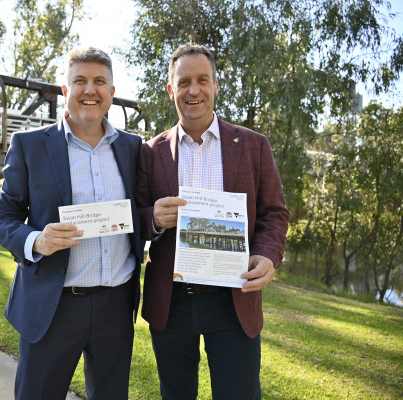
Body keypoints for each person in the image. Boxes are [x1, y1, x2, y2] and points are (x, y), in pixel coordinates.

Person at [136, 43, 290, 400]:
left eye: (202, 80)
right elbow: (136, 216)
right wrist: (153, 218)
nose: (194, 90)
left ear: (216, 86)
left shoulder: (254, 145)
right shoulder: (150, 152)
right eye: (184, 82)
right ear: (171, 89)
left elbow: (274, 213)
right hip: (171, 303)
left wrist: (267, 255)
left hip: (234, 300)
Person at [0, 47, 143, 400]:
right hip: (53, 305)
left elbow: (142, 213)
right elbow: (2, 218)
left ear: (111, 92)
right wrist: (36, 240)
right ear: (65, 89)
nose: (90, 90)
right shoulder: (29, 145)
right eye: (80, 81)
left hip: (116, 306)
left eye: (99, 81)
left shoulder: (134, 148)